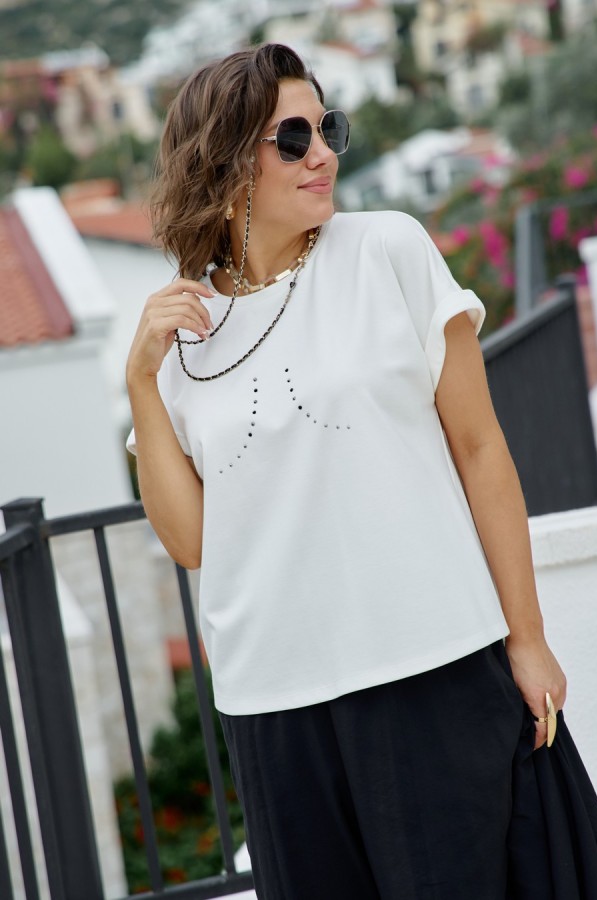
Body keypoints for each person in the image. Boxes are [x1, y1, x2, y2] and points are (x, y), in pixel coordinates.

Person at [126, 43, 566, 899]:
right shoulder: (183, 328)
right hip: (273, 701)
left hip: (432, 665)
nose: (323, 153)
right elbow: (190, 542)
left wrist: (528, 637)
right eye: (293, 139)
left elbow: (480, 448)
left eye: (328, 128)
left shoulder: (386, 250)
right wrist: (142, 381)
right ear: (227, 159)